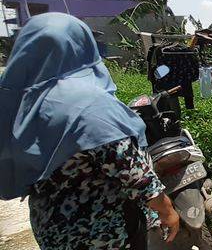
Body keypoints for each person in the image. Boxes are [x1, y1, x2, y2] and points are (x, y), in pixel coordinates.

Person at [0, 13, 180, 249]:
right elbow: (134, 172)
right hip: (102, 229)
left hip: (50, 225)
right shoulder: (87, 102)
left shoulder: (18, 103)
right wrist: (167, 210)